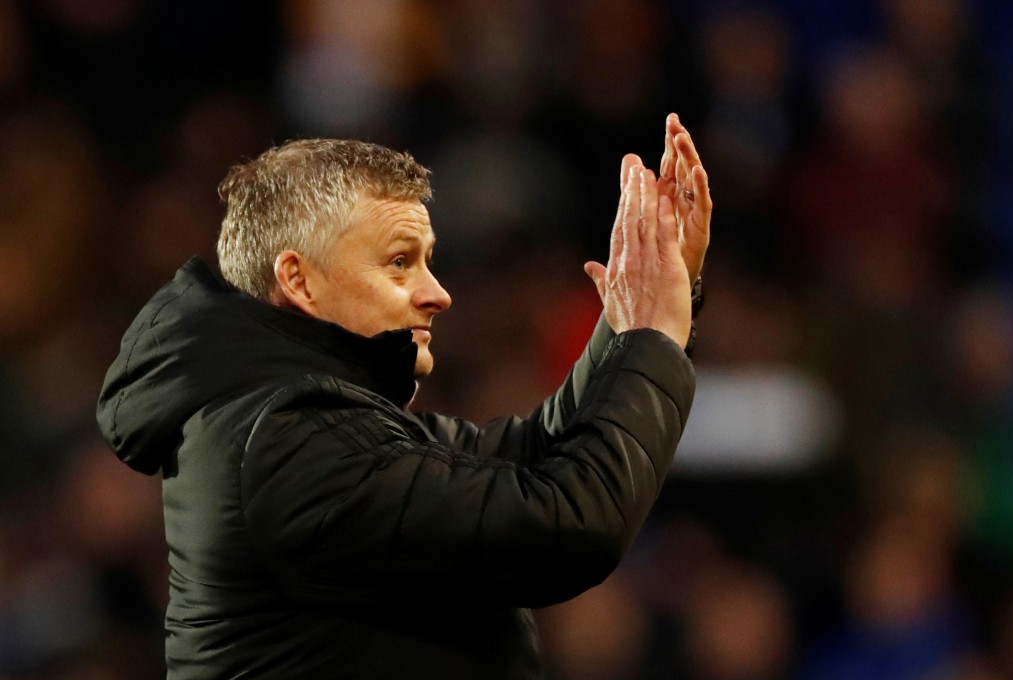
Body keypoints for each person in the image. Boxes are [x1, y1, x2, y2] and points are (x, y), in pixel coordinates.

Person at [96, 114, 711, 679]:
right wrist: (652, 336)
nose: (437, 293)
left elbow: (532, 454)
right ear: (298, 279)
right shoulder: (290, 442)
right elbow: (570, 525)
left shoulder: (303, 418)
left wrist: (636, 321)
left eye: (429, 262)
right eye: (399, 262)